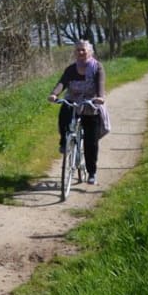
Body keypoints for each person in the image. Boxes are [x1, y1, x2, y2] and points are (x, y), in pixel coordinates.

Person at [47, 39, 107, 185]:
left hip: (90, 103)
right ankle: (64, 142)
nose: (80, 52)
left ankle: (91, 173)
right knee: (64, 111)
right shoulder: (71, 69)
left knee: (90, 142)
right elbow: (62, 82)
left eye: (83, 50)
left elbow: (100, 84)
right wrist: (54, 94)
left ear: (90, 52)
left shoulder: (97, 67)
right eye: (78, 50)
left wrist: (100, 97)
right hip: (73, 100)